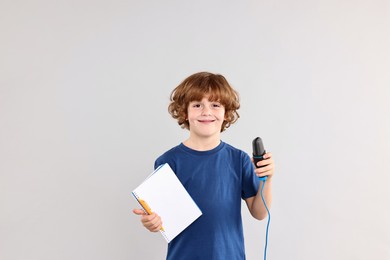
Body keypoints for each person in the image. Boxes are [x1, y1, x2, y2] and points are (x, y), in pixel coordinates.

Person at [133, 72, 275, 260]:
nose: (206, 112)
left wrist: (268, 178)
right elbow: (160, 220)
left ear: (226, 113)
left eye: (215, 105)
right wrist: (151, 222)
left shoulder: (239, 159)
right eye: (197, 105)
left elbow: (260, 213)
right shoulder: (167, 162)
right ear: (185, 112)